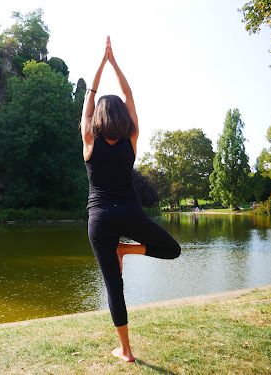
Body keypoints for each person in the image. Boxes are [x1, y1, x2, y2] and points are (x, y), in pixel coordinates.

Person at [80, 36, 181, 363]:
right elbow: (130, 95)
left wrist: (100, 65)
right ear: (123, 116)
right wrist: (114, 63)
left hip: (100, 220)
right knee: (172, 249)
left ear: (96, 117)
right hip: (130, 214)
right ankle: (127, 248)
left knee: (114, 286)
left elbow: (88, 99)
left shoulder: (89, 140)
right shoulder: (131, 140)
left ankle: (125, 350)